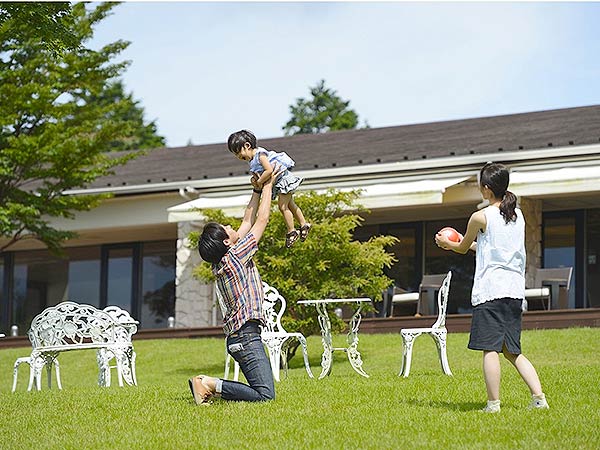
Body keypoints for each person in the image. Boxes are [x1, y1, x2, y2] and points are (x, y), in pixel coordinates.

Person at [435, 162, 549, 413]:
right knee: (513, 352)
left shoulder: (480, 216)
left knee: (490, 350)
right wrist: (461, 244)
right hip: (514, 292)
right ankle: (539, 399)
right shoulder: (518, 215)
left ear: (486, 189)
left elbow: (463, 247)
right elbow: (491, 249)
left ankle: (493, 404)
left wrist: (447, 242)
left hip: (491, 292)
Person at [189, 165, 283, 404]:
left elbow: (246, 221)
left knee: (263, 393)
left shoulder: (224, 259)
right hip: (246, 337)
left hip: (240, 337)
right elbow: (261, 219)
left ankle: (208, 385)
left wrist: (256, 189)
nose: (232, 227)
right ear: (227, 242)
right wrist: (270, 183)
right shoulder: (236, 256)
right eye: (227, 229)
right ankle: (207, 383)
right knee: (265, 396)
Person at [227, 129, 311, 248]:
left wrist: (260, 182)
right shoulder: (252, 161)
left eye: (238, 152)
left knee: (283, 206)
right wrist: (255, 180)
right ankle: (303, 224)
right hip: (278, 183)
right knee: (290, 204)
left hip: (283, 180)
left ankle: (291, 230)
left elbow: (269, 170)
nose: (238, 156)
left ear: (247, 146)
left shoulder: (260, 155)